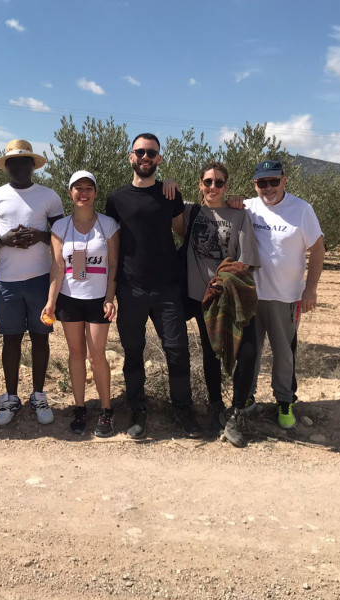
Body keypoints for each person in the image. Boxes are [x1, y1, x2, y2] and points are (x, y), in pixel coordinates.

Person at [105, 133, 203, 439]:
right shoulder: (116, 199)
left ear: (159, 159)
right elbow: (112, 243)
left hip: (166, 288)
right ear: (131, 156)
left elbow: (181, 231)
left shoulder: (169, 194)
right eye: (141, 152)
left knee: (177, 351)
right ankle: (138, 409)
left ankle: (183, 410)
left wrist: (180, 191)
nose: (146, 157)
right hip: (130, 289)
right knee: (133, 352)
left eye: (152, 153)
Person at [173, 161, 260, 446]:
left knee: (246, 351)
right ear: (200, 184)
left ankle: (235, 409)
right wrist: (169, 183)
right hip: (202, 297)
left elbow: (246, 261)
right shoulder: (190, 211)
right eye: (208, 182)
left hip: (231, 294)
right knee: (211, 352)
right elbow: (163, 205)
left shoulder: (239, 215)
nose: (213, 187)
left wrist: (225, 277)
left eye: (219, 182)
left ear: (226, 186)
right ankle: (215, 407)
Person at [0, 140, 64, 426]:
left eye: (23, 161)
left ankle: (38, 395)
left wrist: (40, 236)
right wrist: (3, 241)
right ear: (7, 167)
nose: (18, 167)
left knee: (41, 337)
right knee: (11, 339)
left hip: (41, 280)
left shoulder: (49, 196)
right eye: (12, 162)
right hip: (7, 282)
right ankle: (11, 398)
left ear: (32, 165)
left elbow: (59, 235)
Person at [237, 160, 325, 430]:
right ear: (255, 185)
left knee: (284, 353)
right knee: (249, 351)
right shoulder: (247, 208)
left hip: (287, 297)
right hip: (252, 296)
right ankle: (247, 396)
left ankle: (284, 400)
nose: (269, 188)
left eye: (274, 181)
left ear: (284, 181)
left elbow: (318, 250)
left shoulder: (302, 210)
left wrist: (310, 289)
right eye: (262, 183)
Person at [42, 171, 120, 436]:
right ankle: (79, 407)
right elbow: (57, 267)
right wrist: (51, 302)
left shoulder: (108, 225)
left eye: (88, 188)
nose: (83, 193)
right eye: (78, 188)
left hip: (98, 300)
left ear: (95, 192)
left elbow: (113, 265)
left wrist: (110, 298)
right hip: (70, 299)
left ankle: (107, 410)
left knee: (96, 355)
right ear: (70, 193)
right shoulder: (60, 227)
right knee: (76, 354)